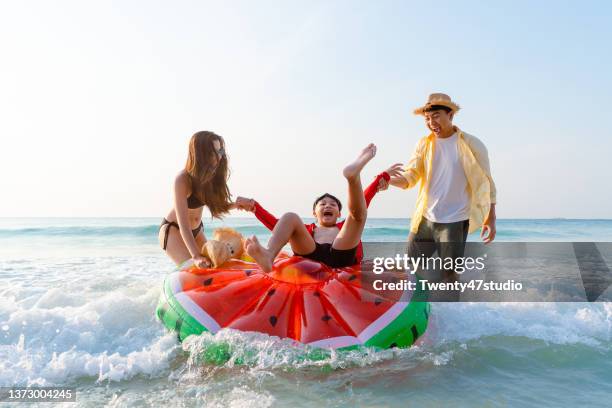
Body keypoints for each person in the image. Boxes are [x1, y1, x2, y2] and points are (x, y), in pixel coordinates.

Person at [239, 144, 402, 271]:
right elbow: (277, 226)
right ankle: (268, 255)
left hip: (342, 253)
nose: (327, 206)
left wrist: (381, 178)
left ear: (339, 213)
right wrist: (254, 207)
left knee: (358, 216)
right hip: (310, 253)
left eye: (333, 205)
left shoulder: (342, 226)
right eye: (322, 204)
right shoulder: (308, 229)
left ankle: (353, 177)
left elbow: (363, 200)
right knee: (289, 217)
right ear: (314, 213)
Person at [390, 93, 497, 281]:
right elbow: (411, 175)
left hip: (455, 219)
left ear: (451, 115)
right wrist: (389, 181)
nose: (431, 122)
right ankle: (418, 307)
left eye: (436, 116)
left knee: (449, 272)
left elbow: (486, 182)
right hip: (425, 217)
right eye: (427, 118)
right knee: (411, 268)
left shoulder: (472, 144)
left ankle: (452, 309)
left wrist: (491, 216)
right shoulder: (424, 144)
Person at [158, 131, 237, 268]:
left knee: (213, 267)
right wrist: (195, 256)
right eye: (214, 152)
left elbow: (217, 207)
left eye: (220, 151)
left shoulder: (211, 175)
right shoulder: (182, 180)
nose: (219, 157)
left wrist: (237, 205)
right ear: (201, 155)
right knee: (195, 270)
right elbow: (183, 225)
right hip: (174, 230)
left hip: (197, 230)